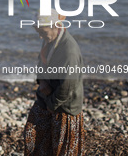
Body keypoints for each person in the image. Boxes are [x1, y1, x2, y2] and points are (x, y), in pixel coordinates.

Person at [24, 9, 85, 156]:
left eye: (43, 32)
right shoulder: (49, 39)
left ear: (56, 26)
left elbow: (68, 86)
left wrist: (52, 104)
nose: (40, 37)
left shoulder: (69, 50)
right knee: (32, 134)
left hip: (65, 106)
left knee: (62, 150)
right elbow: (41, 62)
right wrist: (42, 80)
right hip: (46, 96)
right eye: (38, 32)